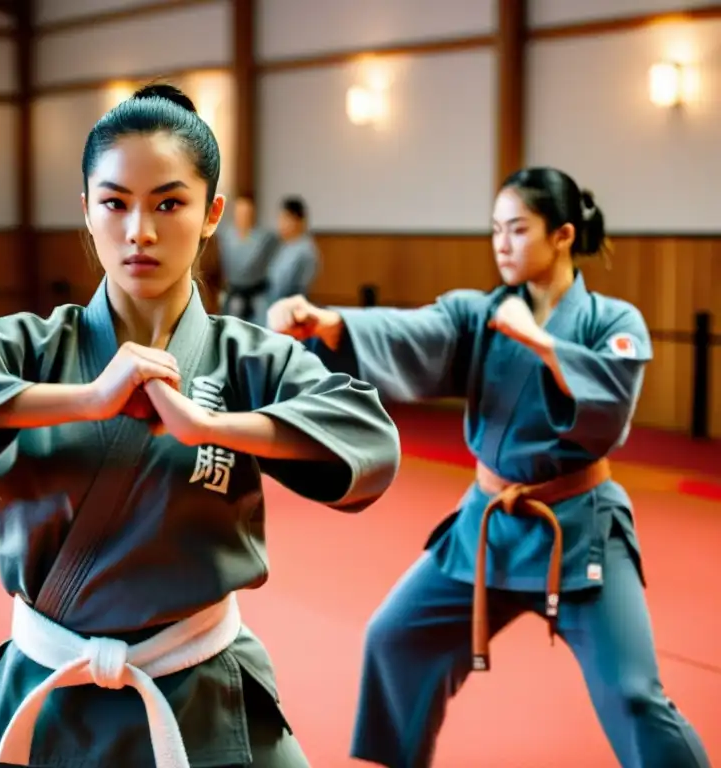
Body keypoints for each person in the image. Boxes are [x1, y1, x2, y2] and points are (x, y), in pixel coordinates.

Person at [0, 83, 402, 767]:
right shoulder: (32, 348)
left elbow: (372, 441)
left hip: (201, 690)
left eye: (169, 203)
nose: (139, 232)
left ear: (212, 213)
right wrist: (86, 400)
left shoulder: (246, 358)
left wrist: (213, 425)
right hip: (45, 681)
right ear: (87, 211)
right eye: (115, 203)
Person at [267, 167, 711, 768]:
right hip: (489, 524)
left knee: (634, 694)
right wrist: (334, 323)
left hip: (580, 527)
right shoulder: (479, 314)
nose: (501, 243)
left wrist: (543, 344)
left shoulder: (614, 321)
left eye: (518, 229)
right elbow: (413, 330)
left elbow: (610, 409)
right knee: (394, 639)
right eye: (495, 229)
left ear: (562, 235)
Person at [216, 194, 277, 324]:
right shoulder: (225, 235)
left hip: (257, 294)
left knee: (260, 327)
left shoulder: (265, 237)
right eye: (240, 212)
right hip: (233, 293)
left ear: (253, 213)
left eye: (247, 212)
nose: (243, 216)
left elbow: (273, 265)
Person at [263, 196, 318, 309]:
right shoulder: (285, 246)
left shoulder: (305, 250)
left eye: (284, 219)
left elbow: (289, 288)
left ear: (296, 220)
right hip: (273, 306)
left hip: (290, 309)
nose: (280, 224)